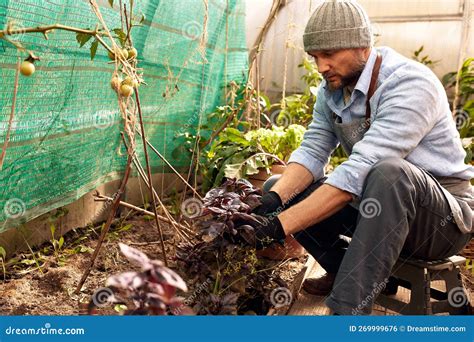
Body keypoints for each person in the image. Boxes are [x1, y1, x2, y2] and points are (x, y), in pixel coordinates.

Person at [245, 0, 474, 315]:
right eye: (315, 57)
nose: (321, 66)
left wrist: (277, 227)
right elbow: (313, 150)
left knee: (390, 173)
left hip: (439, 221)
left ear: (363, 46)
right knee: (280, 185)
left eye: (329, 55)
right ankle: (346, 270)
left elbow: (359, 172)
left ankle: (347, 312)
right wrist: (272, 202)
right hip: (378, 208)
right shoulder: (332, 92)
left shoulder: (409, 83)